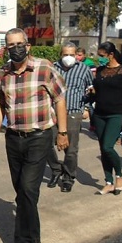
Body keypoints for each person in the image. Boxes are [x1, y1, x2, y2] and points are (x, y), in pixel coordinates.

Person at [0, 28, 68, 243]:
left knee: (26, 188)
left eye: (19, 44)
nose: (15, 49)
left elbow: (59, 99)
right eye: (10, 45)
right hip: (13, 137)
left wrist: (62, 133)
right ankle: (33, 236)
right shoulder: (2, 74)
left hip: (39, 136)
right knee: (24, 192)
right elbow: (0, 107)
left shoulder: (44, 68)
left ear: (28, 45)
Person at [47, 42, 93, 193]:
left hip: (73, 112)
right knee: (46, 143)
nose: (68, 58)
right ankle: (55, 168)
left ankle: (68, 177)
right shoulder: (52, 68)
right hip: (53, 112)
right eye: (65, 54)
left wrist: (86, 107)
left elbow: (91, 89)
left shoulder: (84, 69)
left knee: (71, 149)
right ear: (61, 54)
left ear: (77, 55)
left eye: (72, 55)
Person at [91, 42, 122, 195]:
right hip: (99, 114)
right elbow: (97, 91)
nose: (100, 59)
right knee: (103, 148)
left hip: (116, 114)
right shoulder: (100, 70)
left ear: (111, 55)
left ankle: (120, 175)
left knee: (108, 146)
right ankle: (108, 181)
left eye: (102, 56)